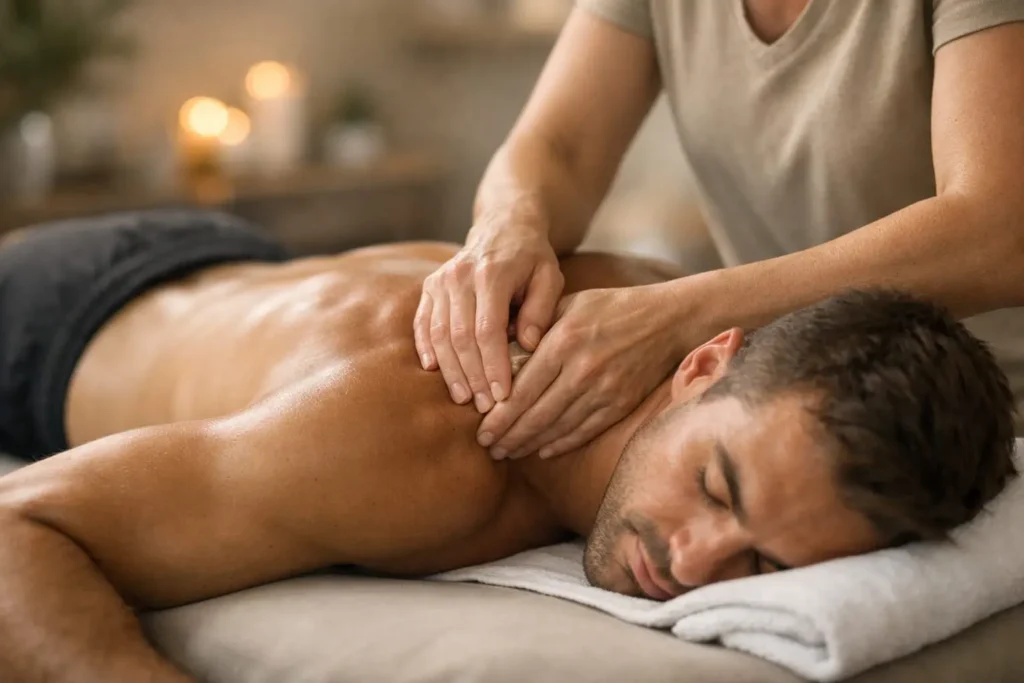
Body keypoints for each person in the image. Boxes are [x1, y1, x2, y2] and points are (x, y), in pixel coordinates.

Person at [0, 211, 1016, 682]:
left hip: (262, 265)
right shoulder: (416, 439)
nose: (695, 562)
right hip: (55, 313)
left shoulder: (711, 338)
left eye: (763, 564)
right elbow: (19, 526)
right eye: (718, 484)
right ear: (701, 363)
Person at [415, 0, 1024, 462]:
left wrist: (682, 315)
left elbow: (1000, 233)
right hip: (787, 397)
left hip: (989, 410)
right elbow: (560, 149)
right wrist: (508, 223)